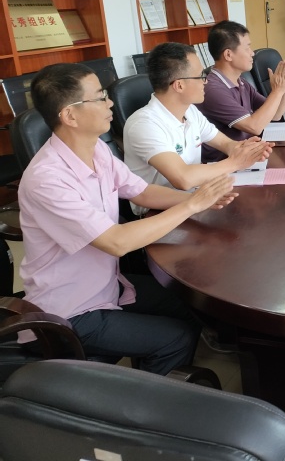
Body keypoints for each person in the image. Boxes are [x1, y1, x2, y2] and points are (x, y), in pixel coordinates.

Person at [18, 63, 237, 375]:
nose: (110, 103)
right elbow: (116, 242)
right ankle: (140, 402)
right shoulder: (47, 179)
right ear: (70, 116)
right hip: (70, 311)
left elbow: (142, 192)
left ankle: (157, 378)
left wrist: (202, 199)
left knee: (186, 302)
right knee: (175, 338)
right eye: (100, 97)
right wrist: (191, 205)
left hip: (107, 285)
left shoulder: (96, 150)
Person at [124, 42, 271, 215]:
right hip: (157, 213)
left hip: (195, 198)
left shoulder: (190, 111)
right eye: (200, 76)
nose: (205, 81)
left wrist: (246, 149)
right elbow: (183, 178)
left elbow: (224, 143)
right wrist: (235, 162)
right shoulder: (144, 124)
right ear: (179, 85)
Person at [196, 20, 285, 162]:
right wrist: (276, 91)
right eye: (247, 48)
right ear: (228, 55)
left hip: (249, 156)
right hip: (225, 163)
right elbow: (254, 127)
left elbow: (275, 115)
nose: (252, 54)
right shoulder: (213, 89)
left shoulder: (240, 81)